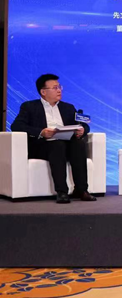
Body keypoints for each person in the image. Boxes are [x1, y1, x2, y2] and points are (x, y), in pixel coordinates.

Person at [10, 74, 95, 204]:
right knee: (57, 144)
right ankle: (62, 192)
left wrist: (82, 130)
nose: (59, 90)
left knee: (78, 144)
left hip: (66, 145)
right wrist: (41, 132)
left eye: (59, 87)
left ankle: (82, 190)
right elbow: (16, 126)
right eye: (55, 88)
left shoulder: (68, 108)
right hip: (42, 146)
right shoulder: (29, 107)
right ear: (43, 92)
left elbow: (82, 124)